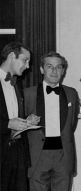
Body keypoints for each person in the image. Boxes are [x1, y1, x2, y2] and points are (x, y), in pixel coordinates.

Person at [24, 52, 80, 191]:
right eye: (49, 66)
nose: (54, 71)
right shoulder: (28, 93)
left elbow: (71, 125)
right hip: (37, 155)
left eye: (58, 67)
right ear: (42, 69)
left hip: (63, 155)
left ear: (63, 70)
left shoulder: (72, 94)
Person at [0, 42, 32, 191]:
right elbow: (7, 121)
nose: (27, 66)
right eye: (25, 60)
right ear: (12, 56)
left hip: (17, 152)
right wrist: (7, 124)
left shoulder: (16, 84)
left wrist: (26, 121)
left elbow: (12, 115)